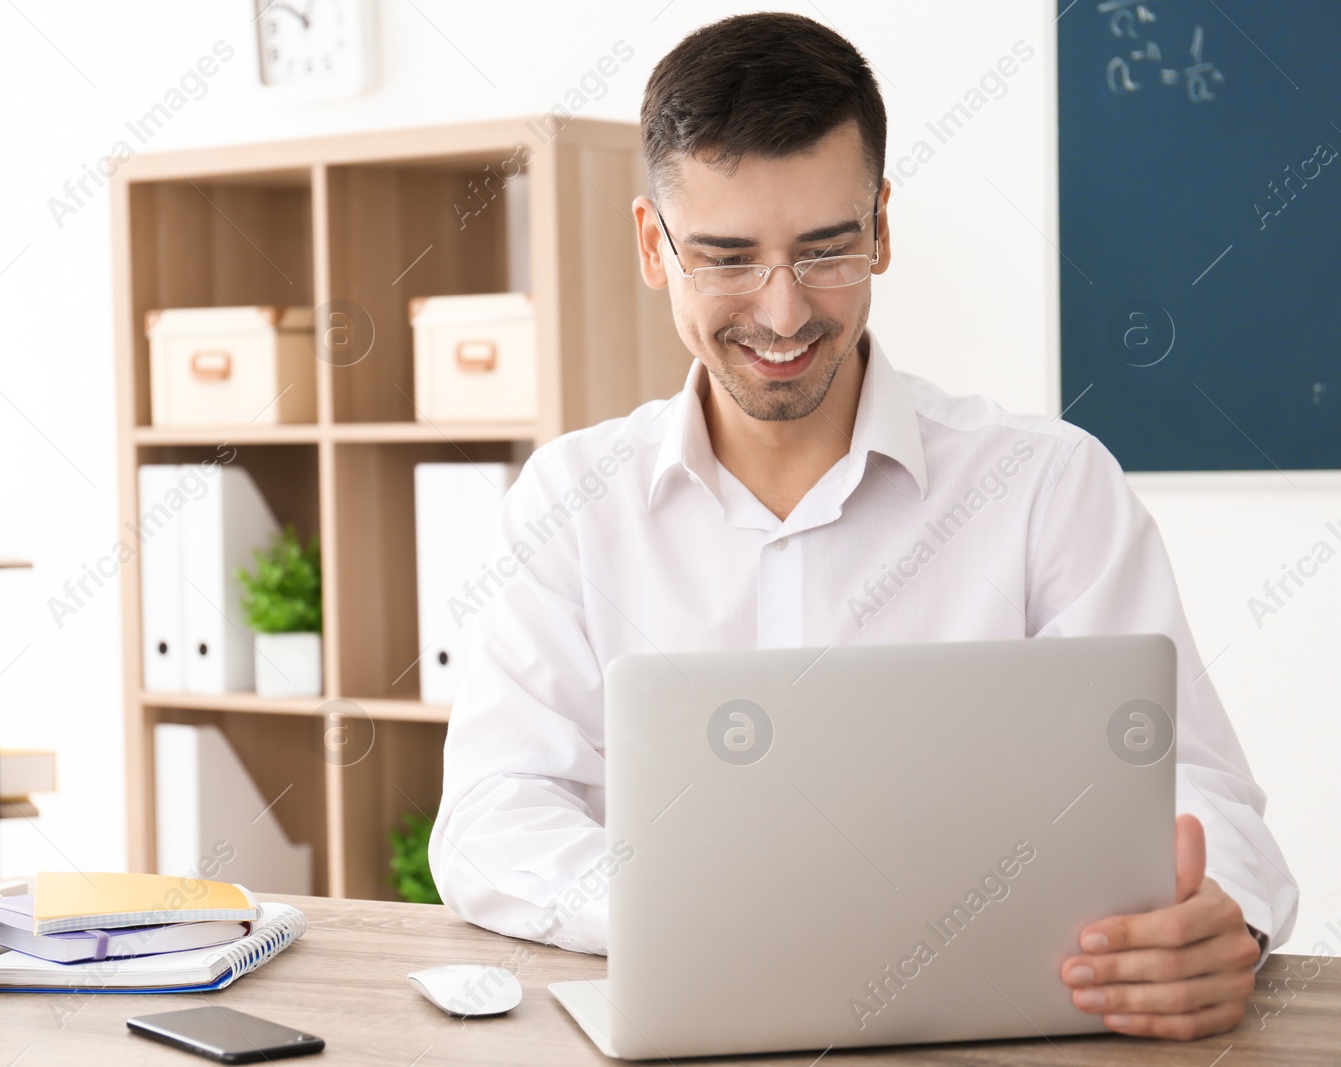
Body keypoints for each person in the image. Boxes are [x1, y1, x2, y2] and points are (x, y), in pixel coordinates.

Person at [429, 11, 1295, 1042]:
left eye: (825, 250)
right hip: (696, 1028)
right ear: (653, 247)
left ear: (882, 226)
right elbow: (492, 814)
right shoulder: (570, 499)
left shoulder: (1047, 484)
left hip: (1001, 1030)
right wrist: (693, 918)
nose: (784, 312)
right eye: (728, 258)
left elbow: (1197, 788)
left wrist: (1216, 919)